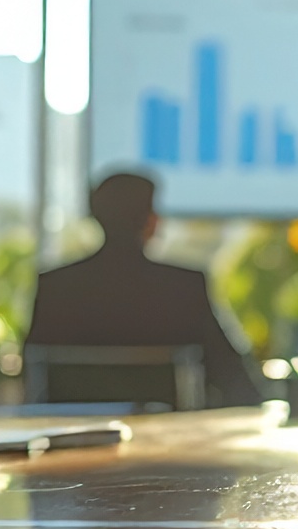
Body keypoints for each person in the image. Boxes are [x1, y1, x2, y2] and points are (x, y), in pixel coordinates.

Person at [26, 171, 262, 406]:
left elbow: (30, 371)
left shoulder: (55, 287)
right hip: (168, 428)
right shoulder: (183, 287)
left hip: (71, 427)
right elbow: (230, 374)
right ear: (151, 221)